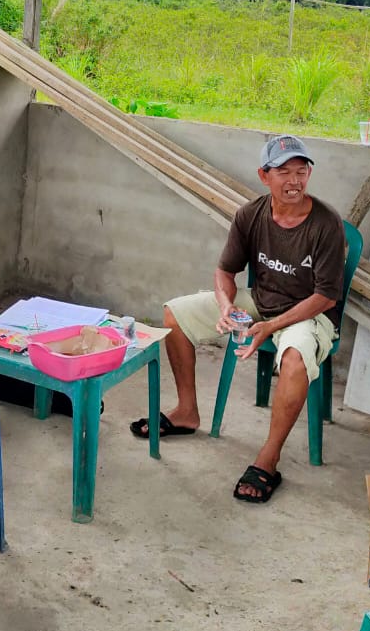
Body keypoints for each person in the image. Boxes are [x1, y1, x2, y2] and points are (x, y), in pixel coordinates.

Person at [134, 135, 347, 505]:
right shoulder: (250, 214)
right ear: (264, 176)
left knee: (295, 360)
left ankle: (269, 456)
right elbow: (224, 271)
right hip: (261, 303)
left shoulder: (326, 223)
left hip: (309, 314)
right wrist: (225, 306)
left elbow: (326, 296)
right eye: (284, 172)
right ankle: (186, 412)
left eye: (302, 171)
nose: (295, 181)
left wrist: (271, 327)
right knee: (175, 313)